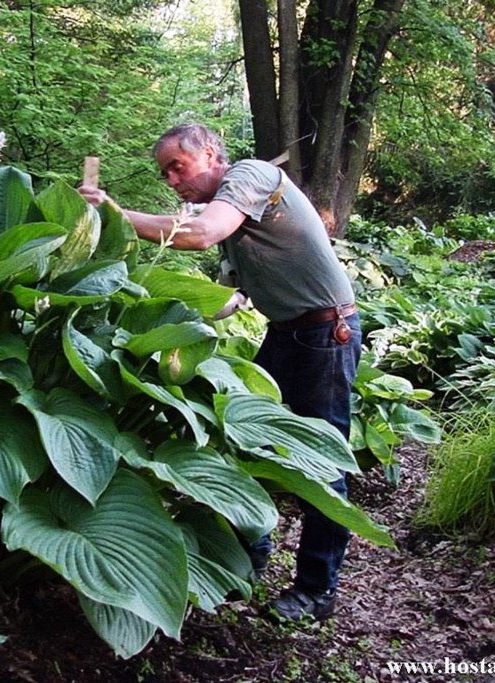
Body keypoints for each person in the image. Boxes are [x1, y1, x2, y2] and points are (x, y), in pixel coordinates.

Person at [78, 123, 361, 621]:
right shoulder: (240, 225)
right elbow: (228, 303)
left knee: (321, 462)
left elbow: (200, 233)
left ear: (209, 154)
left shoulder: (252, 176)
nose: (171, 180)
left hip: (326, 334)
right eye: (164, 172)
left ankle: (317, 591)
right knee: (243, 440)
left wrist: (116, 214)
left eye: (177, 167)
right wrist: (160, 314)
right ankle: (244, 561)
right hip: (288, 333)